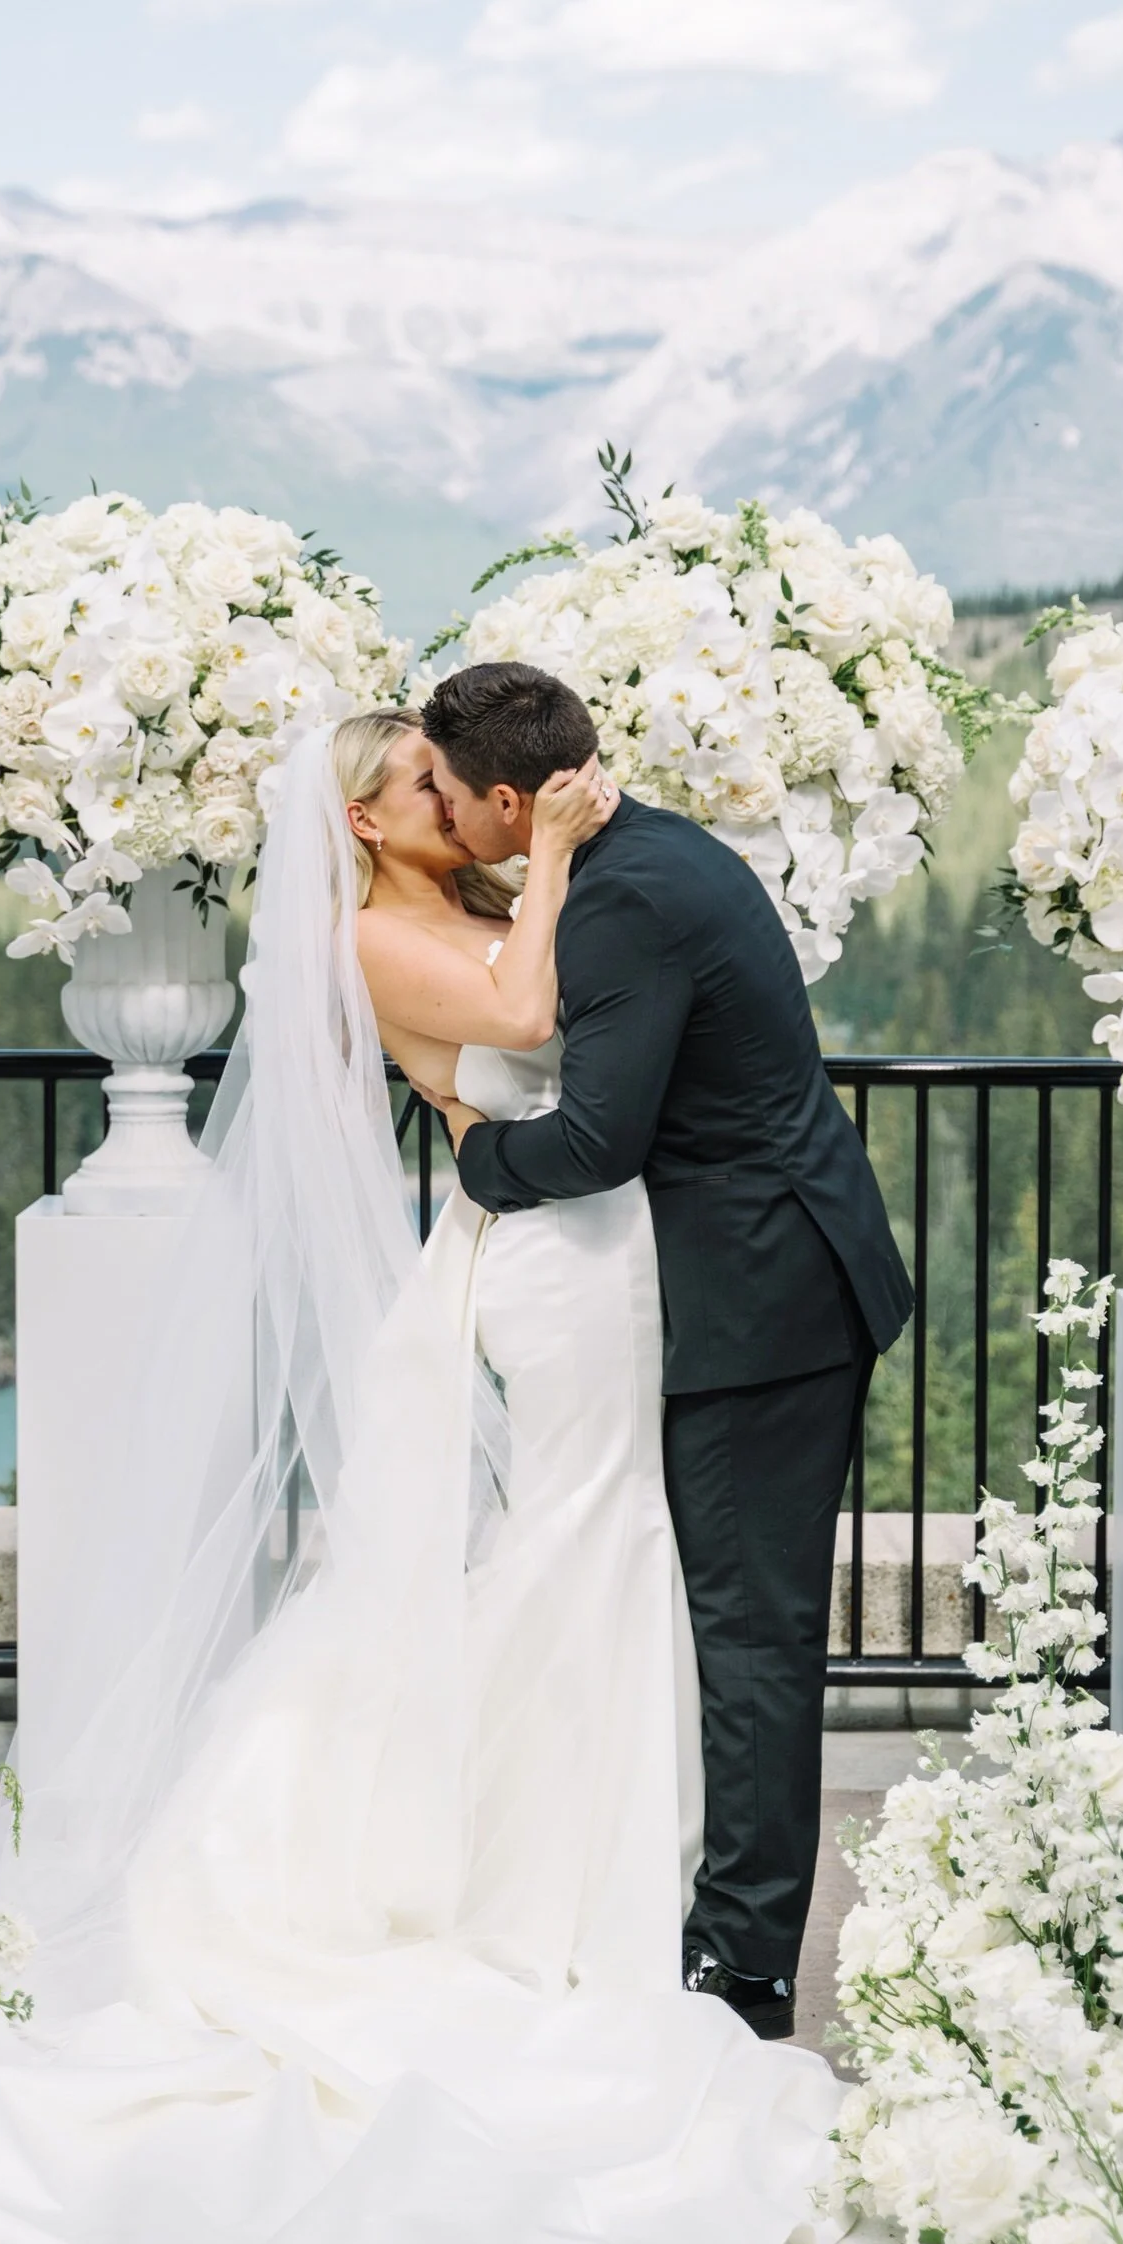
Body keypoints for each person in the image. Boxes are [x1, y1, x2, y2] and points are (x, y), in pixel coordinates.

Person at [0, 706, 843, 2244]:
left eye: (459, 780)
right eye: (426, 785)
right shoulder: (385, 943)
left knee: (595, 1548)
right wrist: (561, 850)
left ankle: (590, 1868)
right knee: (584, 1542)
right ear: (365, 823)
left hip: (606, 1253)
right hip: (555, 1269)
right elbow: (520, 1018)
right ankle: (527, 1881)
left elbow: (587, 1021)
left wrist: (553, 878)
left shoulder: (482, 906)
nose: (462, 802)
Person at [425, 661, 914, 2042]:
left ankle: (747, 1975)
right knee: (727, 1627)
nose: (451, 826)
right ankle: (702, 1922)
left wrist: (467, 1147)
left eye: (457, 805)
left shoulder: (626, 900)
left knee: (751, 1637)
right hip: (753, 1282)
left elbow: (594, 1143)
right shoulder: (643, 850)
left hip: (768, 1305)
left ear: (516, 801)